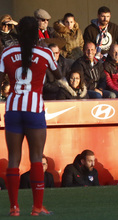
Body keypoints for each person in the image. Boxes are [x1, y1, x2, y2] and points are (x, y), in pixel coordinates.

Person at [0, 16, 61, 216]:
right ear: (37, 33)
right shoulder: (44, 52)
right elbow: (58, 75)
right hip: (34, 109)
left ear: (18, 33)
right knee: (36, 157)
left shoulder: (7, 52)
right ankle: (37, 207)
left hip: (13, 109)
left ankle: (14, 207)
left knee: (13, 159)